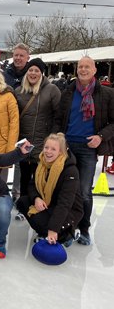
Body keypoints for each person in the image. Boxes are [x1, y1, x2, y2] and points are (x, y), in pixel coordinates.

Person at [54, 56, 114, 246]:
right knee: (65, 189)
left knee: (84, 191)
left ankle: (84, 228)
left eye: (87, 66)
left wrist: (101, 137)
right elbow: (58, 118)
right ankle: (67, 228)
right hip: (68, 146)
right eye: (80, 66)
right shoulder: (68, 92)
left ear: (95, 70)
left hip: (89, 148)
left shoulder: (106, 94)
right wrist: (58, 138)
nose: (83, 69)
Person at [14, 58, 61, 220]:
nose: (33, 73)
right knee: (24, 175)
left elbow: (58, 116)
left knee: (40, 177)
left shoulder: (52, 90)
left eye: (36, 70)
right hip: (23, 142)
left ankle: (40, 206)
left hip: (43, 143)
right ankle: (24, 205)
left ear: (41, 73)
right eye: (30, 70)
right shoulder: (19, 90)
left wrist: (52, 139)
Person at [16, 133, 84, 247]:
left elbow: (65, 203)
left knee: (43, 221)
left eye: (53, 149)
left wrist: (53, 228)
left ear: (61, 152)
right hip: (50, 204)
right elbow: (32, 185)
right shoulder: (42, 163)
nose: (48, 151)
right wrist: (36, 198)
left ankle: (66, 235)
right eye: (46, 147)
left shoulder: (70, 171)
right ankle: (44, 232)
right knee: (23, 202)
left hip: (69, 210)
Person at [3, 43, 30, 203]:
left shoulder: (32, 74)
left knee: (22, 161)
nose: (18, 58)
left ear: (28, 57)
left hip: (25, 124)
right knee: (4, 159)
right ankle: (1, 193)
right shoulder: (5, 75)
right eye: (16, 55)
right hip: (6, 125)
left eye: (22, 55)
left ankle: (18, 195)